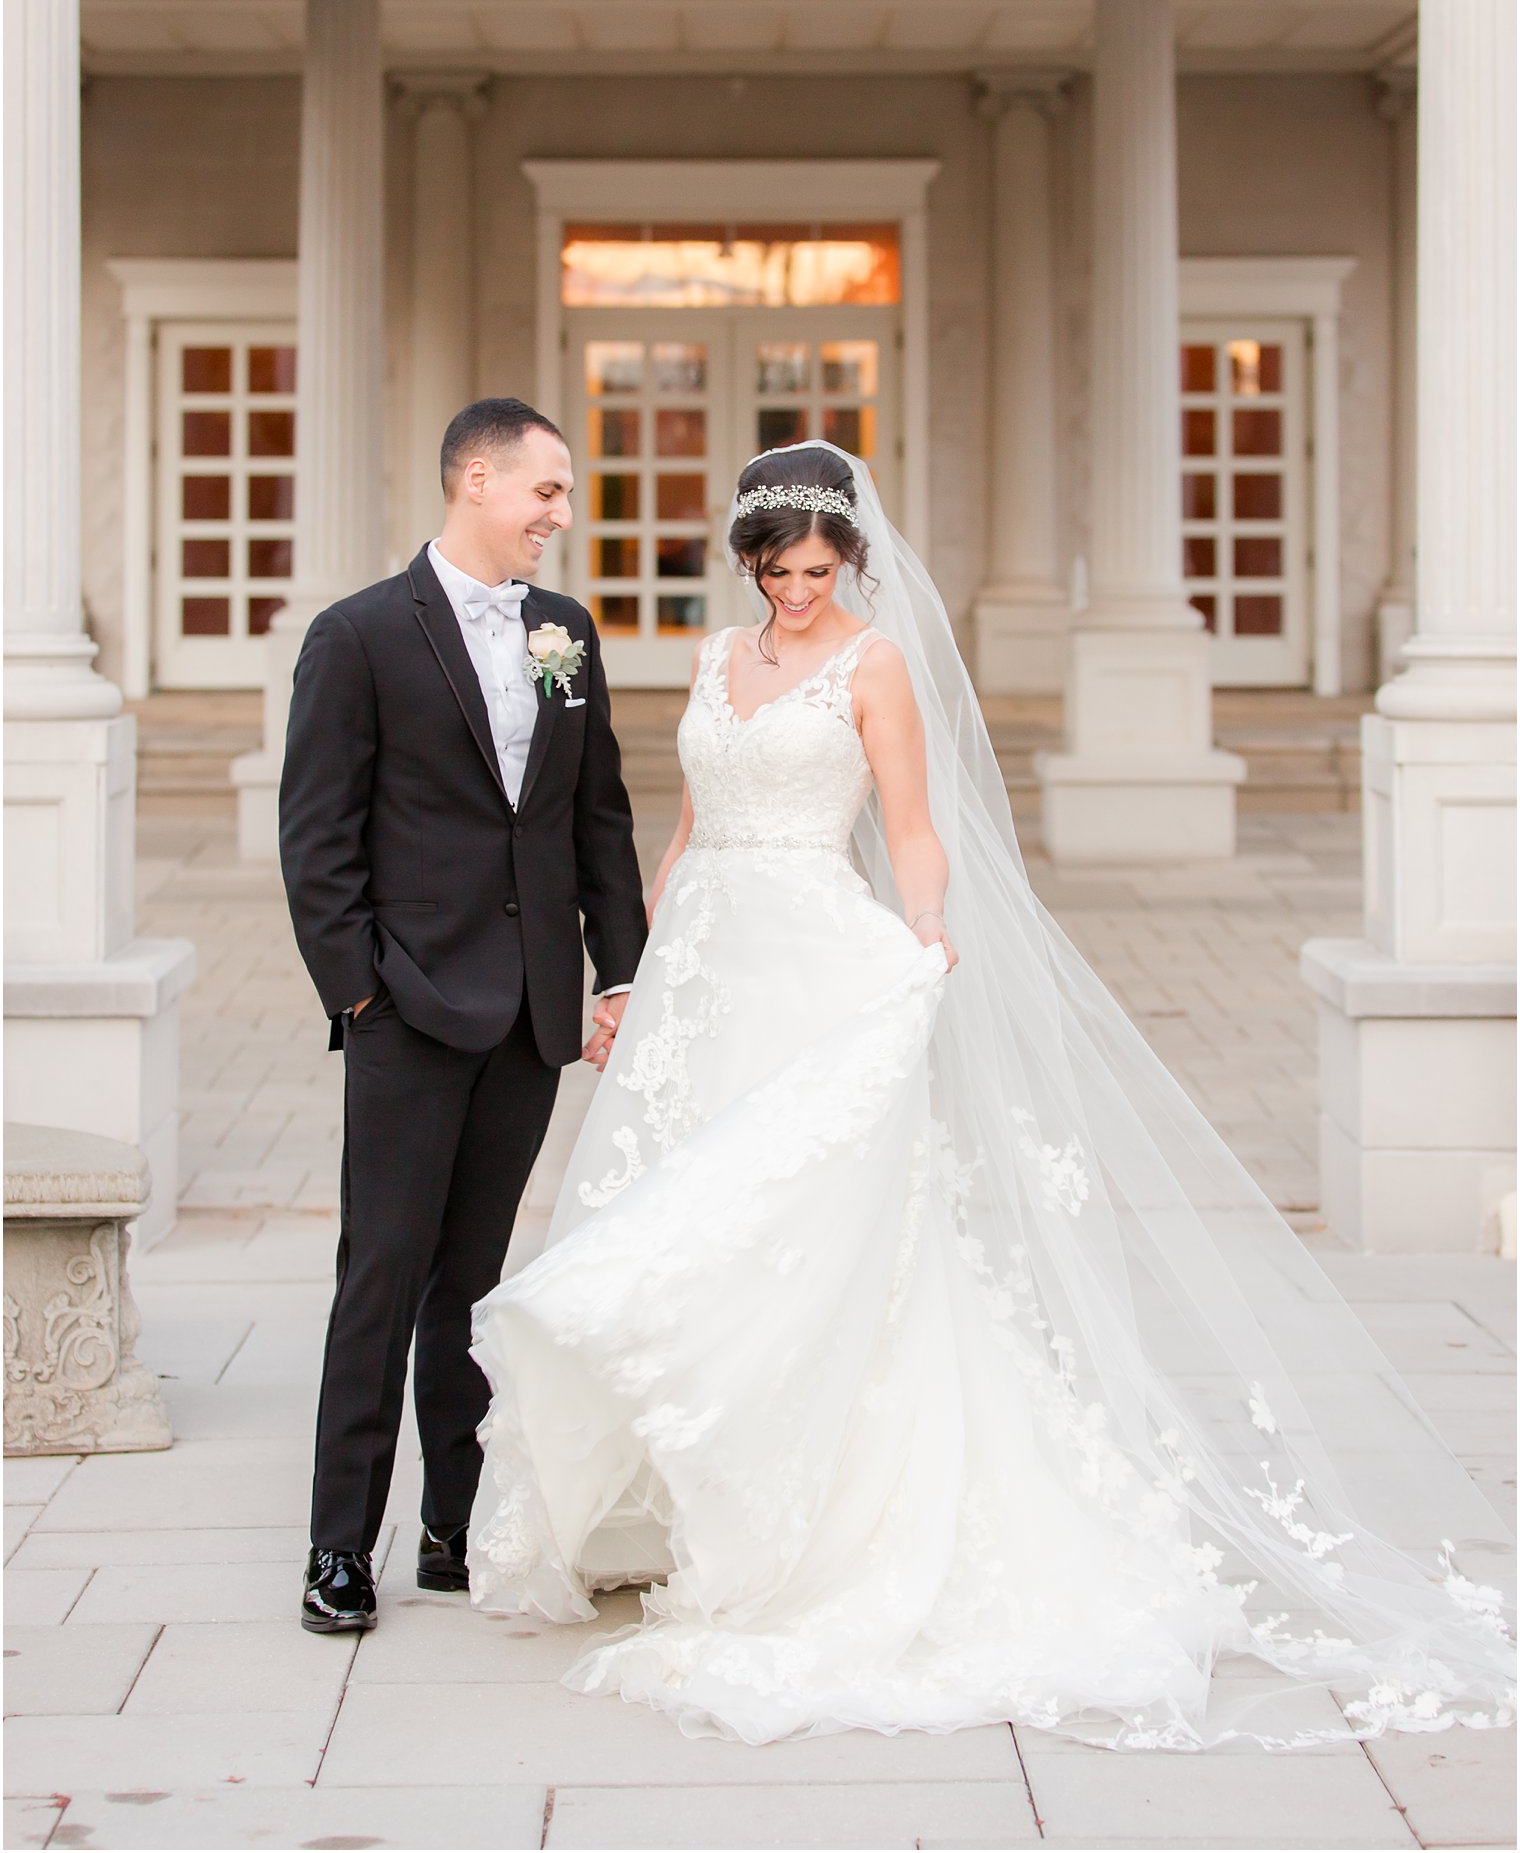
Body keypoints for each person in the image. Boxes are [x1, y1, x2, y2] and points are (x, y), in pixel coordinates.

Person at [466, 438, 1515, 1751]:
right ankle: (676, 1503)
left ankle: (814, 1522)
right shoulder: (713, 662)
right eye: (777, 569)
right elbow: (684, 824)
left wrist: (924, 923)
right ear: (745, 564)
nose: (799, 589)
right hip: (703, 969)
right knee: (671, 1213)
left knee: (803, 1231)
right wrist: (630, 971)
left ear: (849, 557)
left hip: (811, 959)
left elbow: (910, 822)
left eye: (819, 566)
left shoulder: (877, 663)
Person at [279, 398, 646, 1634]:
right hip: (408, 1009)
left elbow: (596, 817)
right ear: (476, 478)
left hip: (531, 1011)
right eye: (546, 490)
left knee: (476, 1285)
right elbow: (315, 838)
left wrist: (616, 973)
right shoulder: (359, 635)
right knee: (379, 1275)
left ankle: (452, 1524)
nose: (560, 514)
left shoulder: (565, 633)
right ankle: (340, 1547)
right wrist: (362, 993)